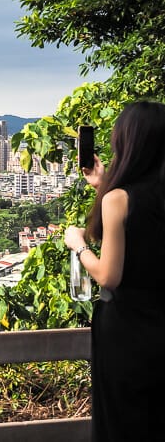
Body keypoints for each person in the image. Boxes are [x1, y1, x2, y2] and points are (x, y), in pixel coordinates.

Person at [64, 101, 165, 441]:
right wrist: (101, 183)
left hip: (127, 331)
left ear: (128, 143)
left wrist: (78, 245)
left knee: (121, 423)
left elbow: (109, 275)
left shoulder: (118, 199)